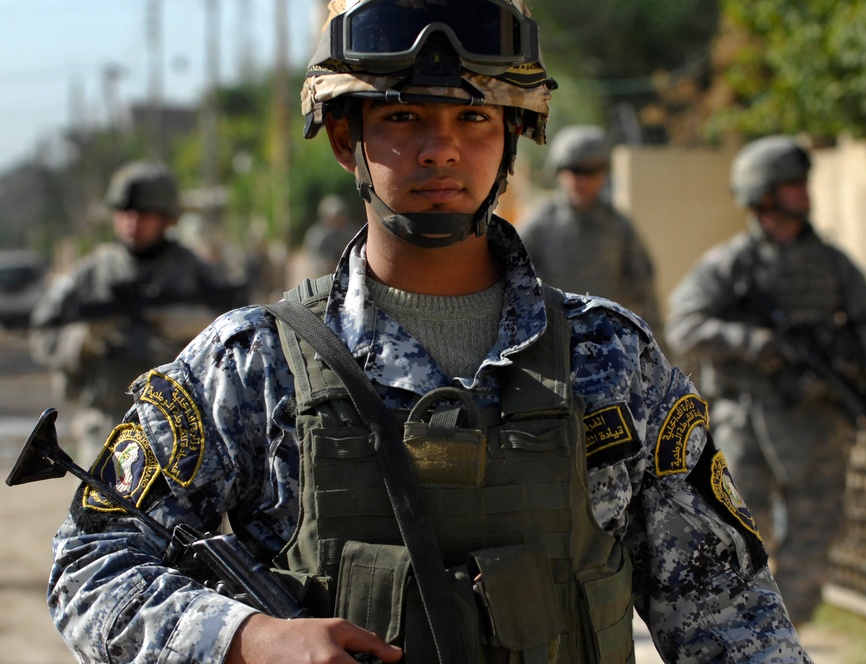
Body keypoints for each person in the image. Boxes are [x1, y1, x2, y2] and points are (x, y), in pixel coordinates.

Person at [47, 3, 810, 663]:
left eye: (473, 118)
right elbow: (90, 561)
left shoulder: (610, 359)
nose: (440, 147)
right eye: (403, 117)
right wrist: (243, 639)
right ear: (347, 140)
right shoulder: (251, 363)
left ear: (511, 140)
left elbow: (729, 612)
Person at [665, 135, 866, 625]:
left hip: (817, 421)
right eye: (792, 184)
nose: (805, 192)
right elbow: (684, 323)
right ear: (763, 194)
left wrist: (840, 364)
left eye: (803, 182)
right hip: (748, 418)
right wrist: (750, 343)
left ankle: (792, 633)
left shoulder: (831, 262)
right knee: (739, 534)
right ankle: (745, 634)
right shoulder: (732, 263)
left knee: (816, 532)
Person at [30, 160, 245, 463]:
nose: (133, 221)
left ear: (167, 218)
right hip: (107, 425)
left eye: (144, 213)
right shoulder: (89, 275)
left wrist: (197, 325)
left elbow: (243, 329)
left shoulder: (197, 273)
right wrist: (85, 338)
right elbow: (43, 333)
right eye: (124, 211)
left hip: (184, 425)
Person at [518, 124, 662, 332]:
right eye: (575, 170)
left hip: (607, 340)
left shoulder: (619, 226)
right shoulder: (540, 225)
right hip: (553, 339)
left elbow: (644, 289)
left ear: (603, 173)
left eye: (590, 171)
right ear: (559, 171)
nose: (582, 180)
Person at [303, 193, 364, 276]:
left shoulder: (352, 232)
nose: (338, 221)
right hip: (324, 276)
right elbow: (315, 259)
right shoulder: (316, 236)